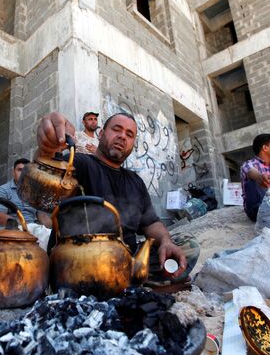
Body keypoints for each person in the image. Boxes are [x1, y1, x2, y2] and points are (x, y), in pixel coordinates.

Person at [36, 111, 194, 282]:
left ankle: (132, 282)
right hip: (79, 260)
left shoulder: (135, 181)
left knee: (186, 246)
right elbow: (47, 180)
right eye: (116, 129)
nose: (122, 137)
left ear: (133, 143)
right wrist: (48, 150)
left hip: (126, 260)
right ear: (102, 133)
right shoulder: (80, 163)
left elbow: (151, 223)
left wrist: (165, 241)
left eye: (129, 134)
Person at [0, 158, 52, 249]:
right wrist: (22, 227)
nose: (22, 173)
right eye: (19, 170)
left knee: (51, 237)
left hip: (32, 229)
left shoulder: (35, 193)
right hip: (10, 228)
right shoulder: (4, 190)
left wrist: (53, 229)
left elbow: (42, 216)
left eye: (26, 171)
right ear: (13, 172)